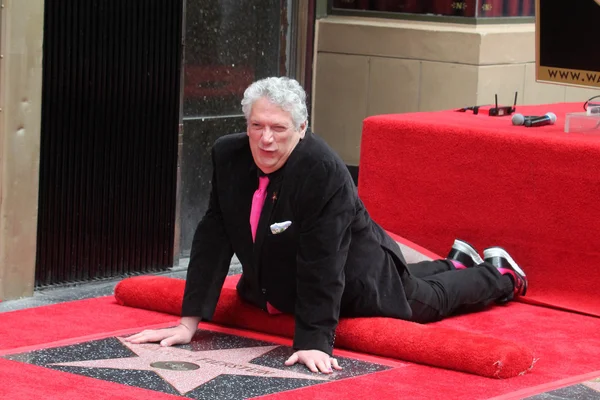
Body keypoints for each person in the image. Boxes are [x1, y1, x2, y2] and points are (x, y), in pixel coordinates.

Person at [126, 77, 528, 374]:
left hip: (357, 271)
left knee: (427, 300)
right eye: (257, 126)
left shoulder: (321, 169)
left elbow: (324, 257)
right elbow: (214, 235)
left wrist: (314, 341)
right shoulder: (228, 155)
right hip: (280, 280)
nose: (265, 139)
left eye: (279, 129)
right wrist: (188, 322)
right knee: (422, 282)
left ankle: (499, 274)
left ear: (301, 130)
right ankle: (455, 260)